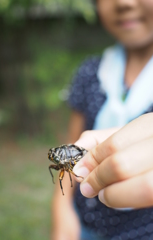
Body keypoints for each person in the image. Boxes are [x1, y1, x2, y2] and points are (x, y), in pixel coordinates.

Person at [51, 0, 153, 239]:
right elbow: (70, 151)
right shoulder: (89, 71)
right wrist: (62, 208)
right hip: (84, 222)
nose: (124, 2)